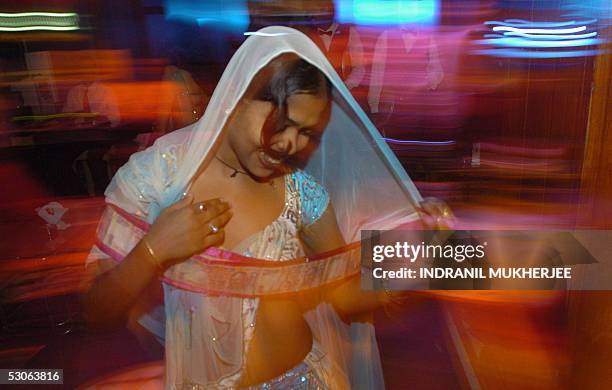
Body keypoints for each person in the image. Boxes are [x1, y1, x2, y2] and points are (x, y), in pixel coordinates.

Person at [82, 26, 431, 389]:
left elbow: (344, 298)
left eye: (308, 133)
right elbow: (97, 313)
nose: (290, 145)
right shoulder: (154, 178)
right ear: (237, 96)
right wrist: (153, 251)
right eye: (284, 123)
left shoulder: (301, 192)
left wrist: (425, 259)